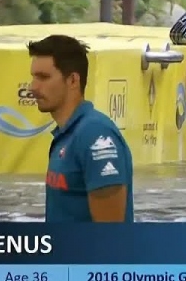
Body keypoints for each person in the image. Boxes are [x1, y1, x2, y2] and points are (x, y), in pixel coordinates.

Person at [29, 35, 134, 222]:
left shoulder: (95, 135)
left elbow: (110, 234)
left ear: (73, 81)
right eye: (33, 77)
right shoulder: (66, 135)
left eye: (43, 78)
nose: (33, 87)